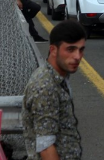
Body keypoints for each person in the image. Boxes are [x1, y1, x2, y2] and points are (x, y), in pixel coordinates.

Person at [22, 20, 87, 160]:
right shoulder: (45, 87)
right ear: (53, 50)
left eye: (81, 49)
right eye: (70, 49)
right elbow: (45, 146)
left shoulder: (59, 77)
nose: (77, 57)